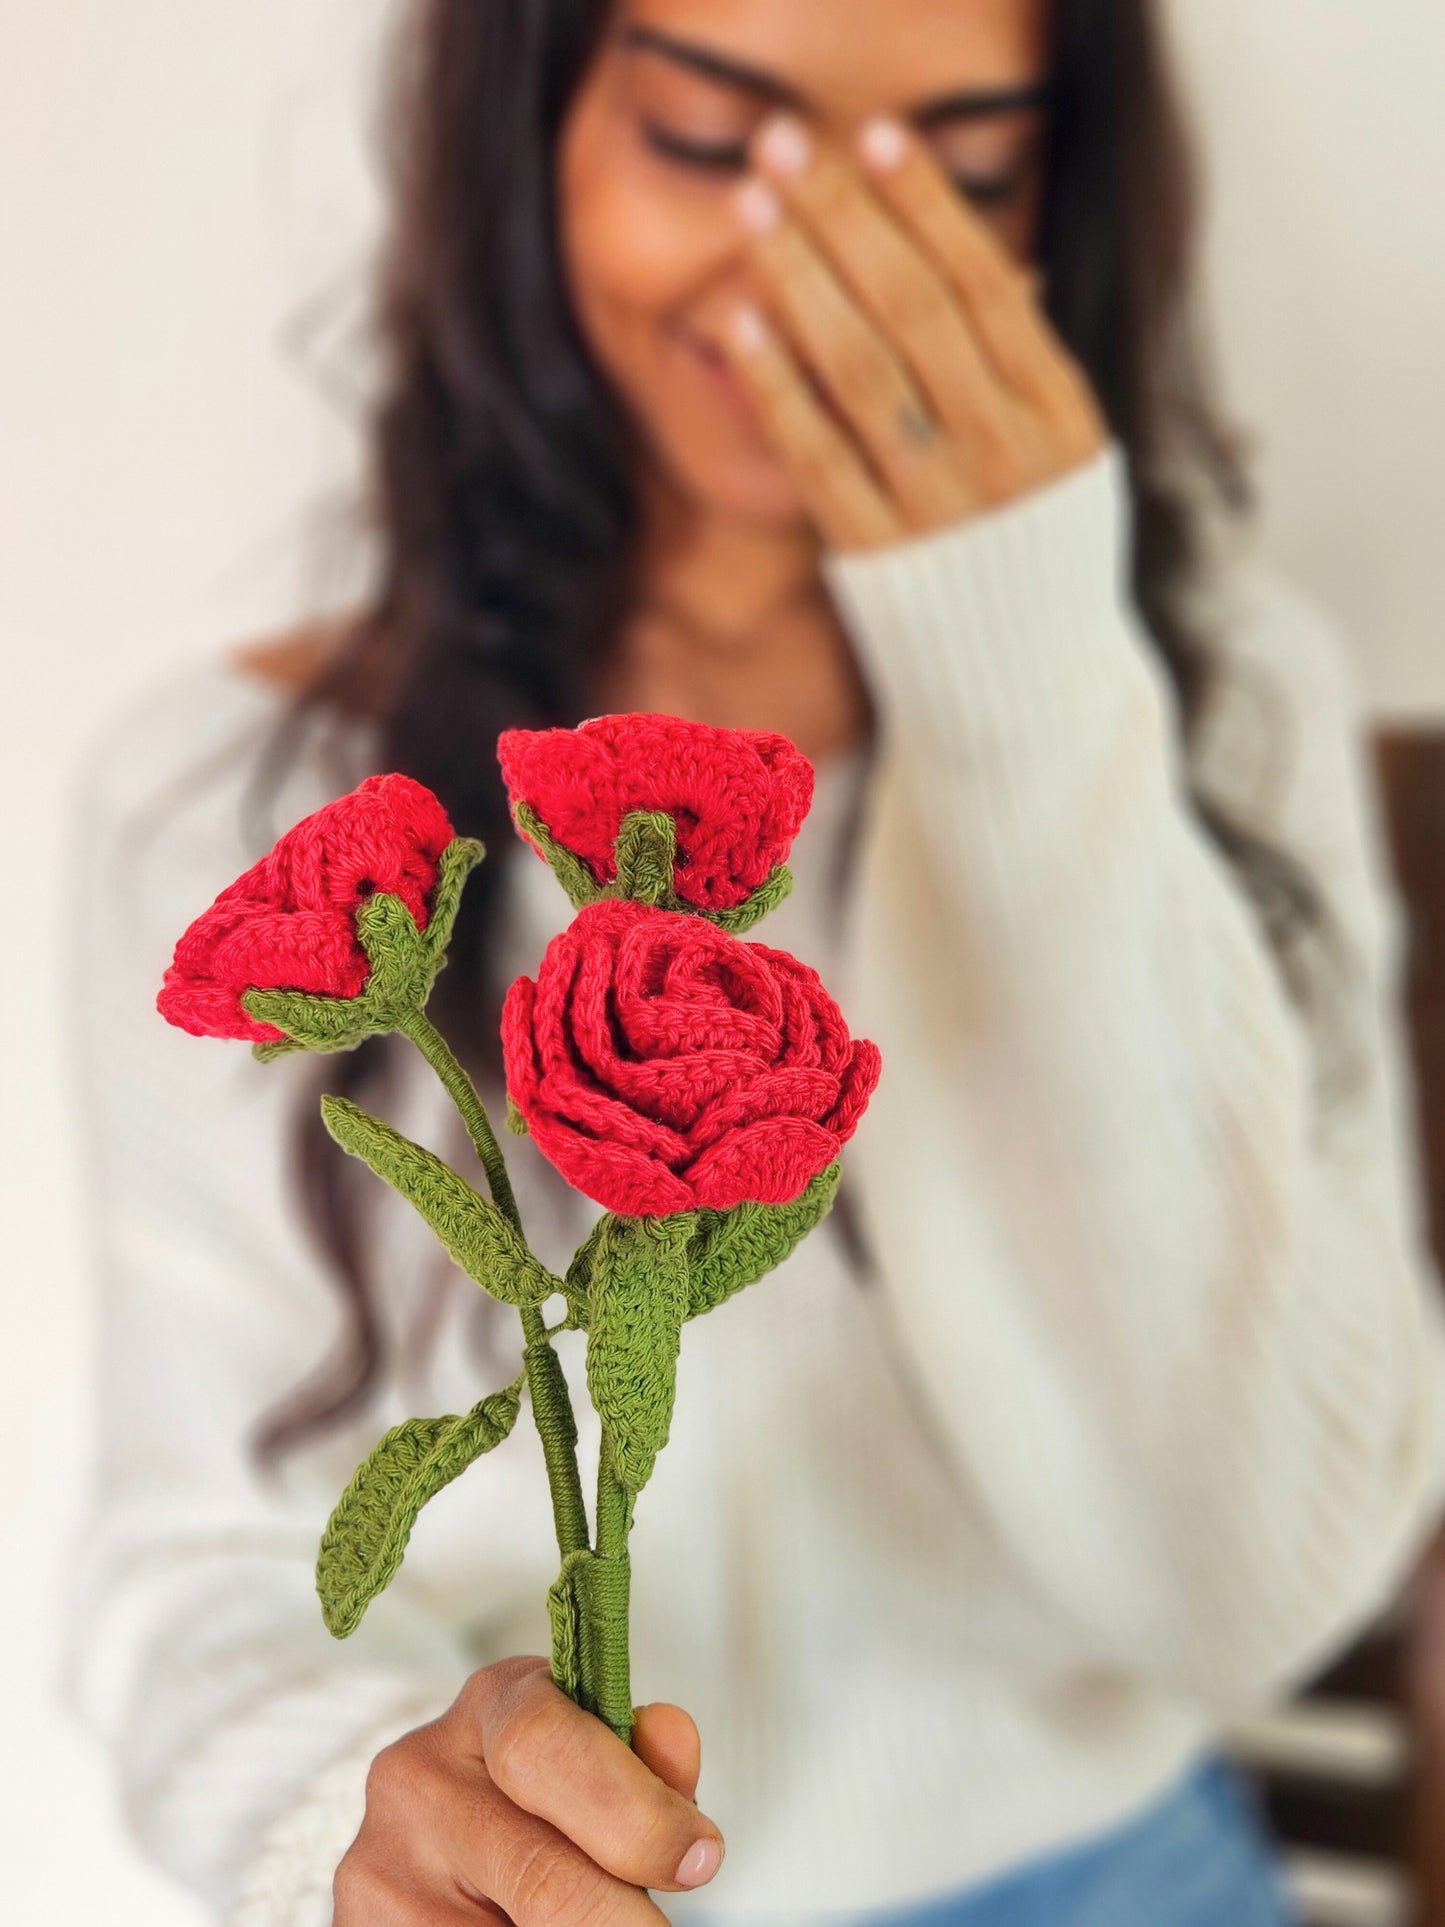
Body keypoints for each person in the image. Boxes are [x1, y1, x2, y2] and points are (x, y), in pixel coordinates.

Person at [58, 0, 1445, 1922]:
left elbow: (1262, 1586)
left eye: (958, 177)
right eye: (712, 141)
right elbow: (194, 1581)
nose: (818, 268)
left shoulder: (1216, 716)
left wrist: (1024, 679)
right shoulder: (240, 812)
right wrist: (361, 1836)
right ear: (528, 138)